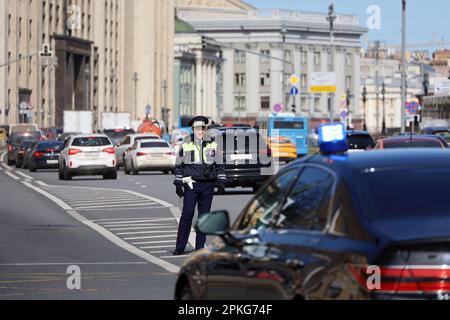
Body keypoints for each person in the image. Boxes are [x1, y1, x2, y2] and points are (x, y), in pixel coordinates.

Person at [173, 116, 227, 256]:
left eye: (203, 128)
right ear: (193, 129)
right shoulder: (186, 144)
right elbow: (179, 165)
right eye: (197, 129)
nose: (200, 131)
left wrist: (221, 181)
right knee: (187, 215)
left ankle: (199, 247)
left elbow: (219, 164)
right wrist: (178, 183)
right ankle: (180, 247)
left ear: (206, 129)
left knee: (204, 217)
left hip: (208, 185)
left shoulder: (212, 144)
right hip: (191, 185)